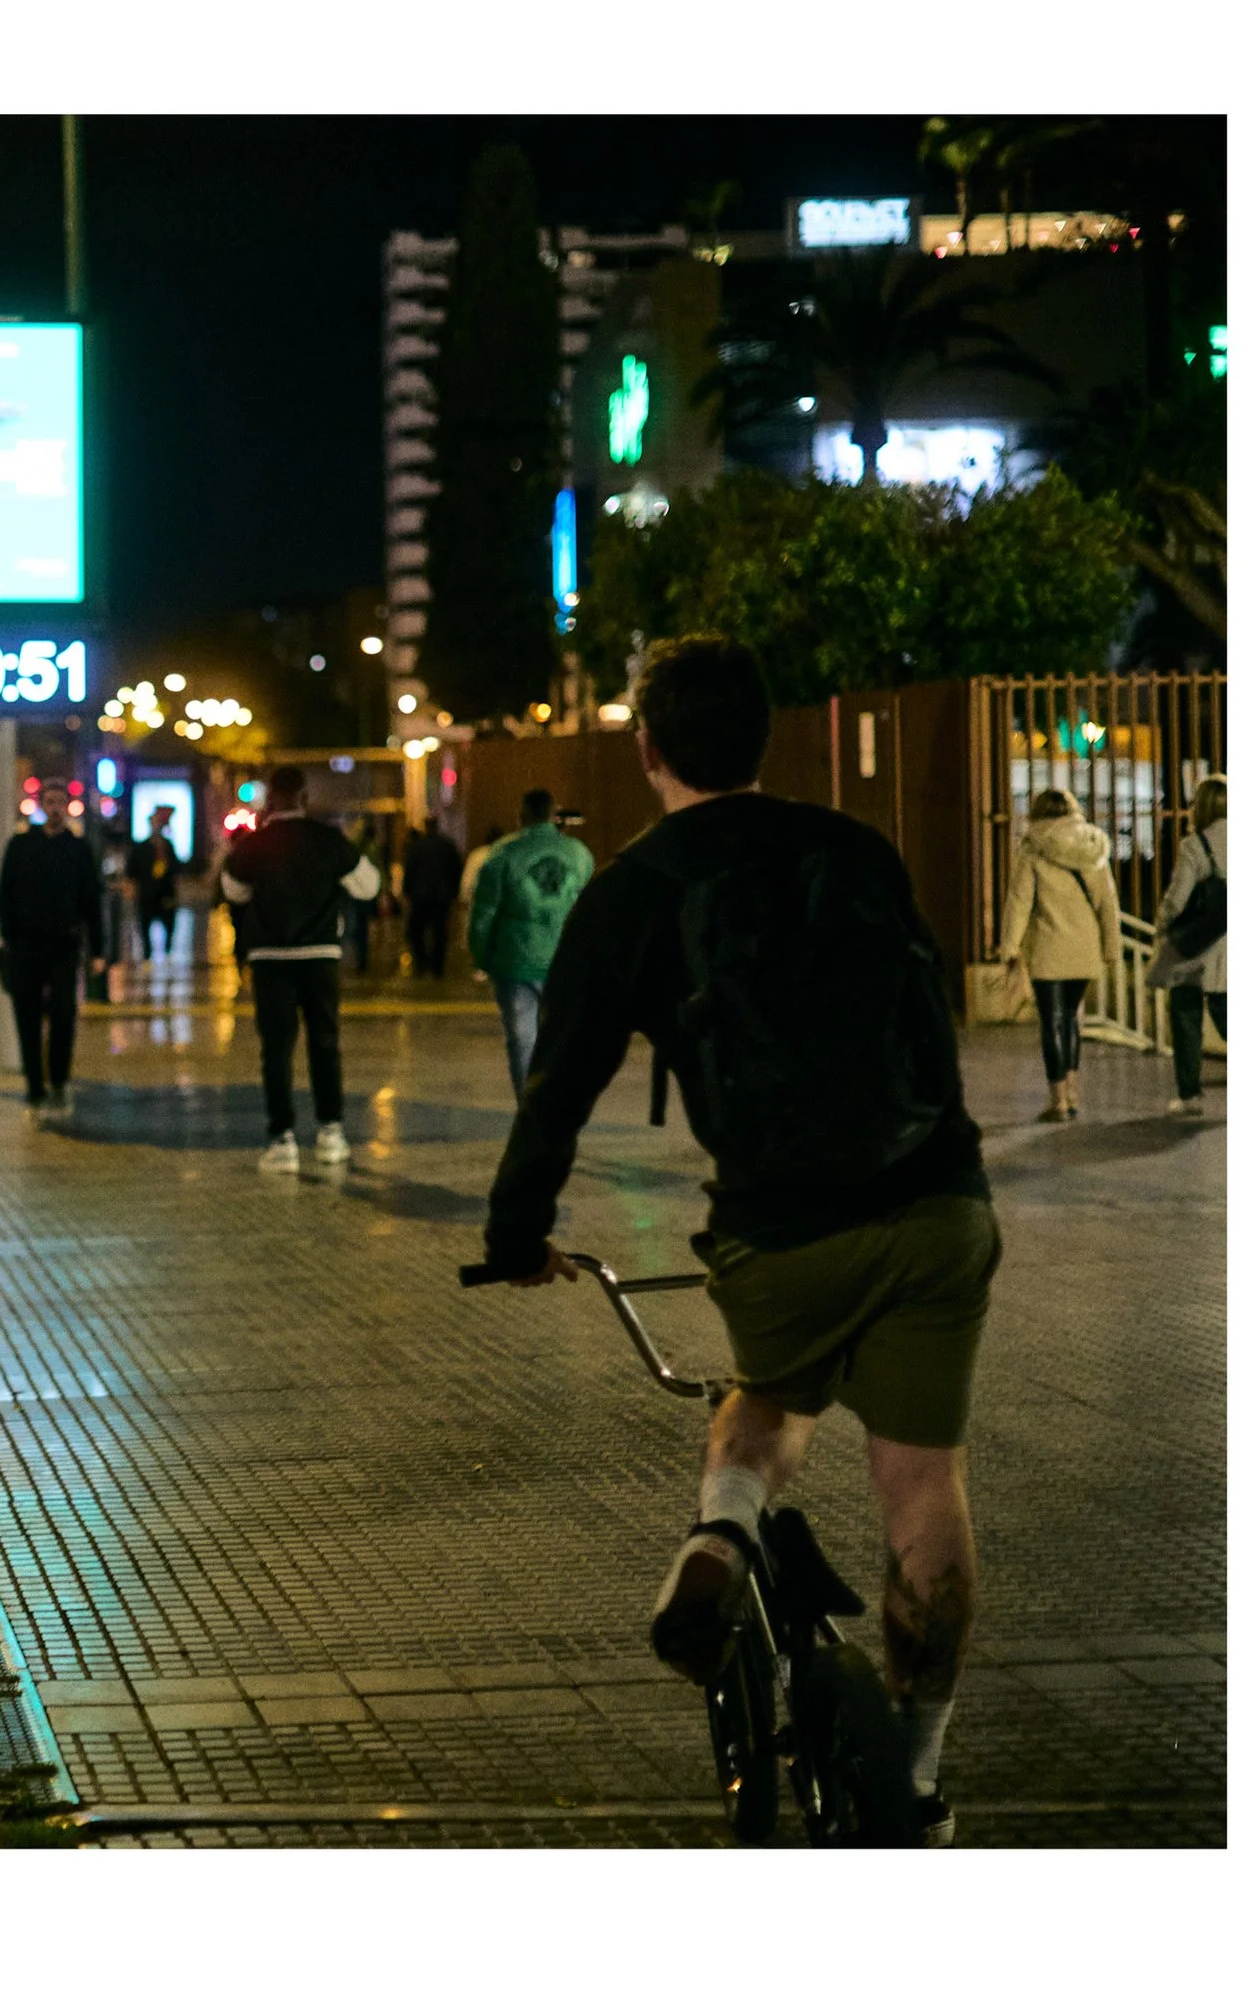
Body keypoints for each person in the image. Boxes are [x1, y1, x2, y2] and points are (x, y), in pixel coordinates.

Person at [482, 636, 992, 1847]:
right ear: (763, 735)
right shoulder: (853, 847)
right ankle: (914, 1777)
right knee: (923, 1482)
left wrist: (519, 1232)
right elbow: (932, 1024)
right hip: (937, 1205)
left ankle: (719, 1533)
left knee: (763, 1401)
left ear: (647, 748)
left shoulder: (634, 890)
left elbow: (559, 1083)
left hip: (780, 1225)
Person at [218, 764, 381, 1174]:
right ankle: (331, 1132)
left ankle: (282, 1139)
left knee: (276, 1049)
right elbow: (369, 886)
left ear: (269, 799)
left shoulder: (253, 845)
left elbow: (232, 890)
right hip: (320, 955)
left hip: (270, 958)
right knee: (324, 1042)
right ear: (305, 798)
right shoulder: (329, 841)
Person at [997, 787, 1122, 1122]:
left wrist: (1009, 947)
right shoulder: (1093, 846)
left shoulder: (1033, 849)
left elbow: (1019, 902)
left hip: (1048, 950)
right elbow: (1107, 904)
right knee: (1071, 1020)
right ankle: (1073, 1090)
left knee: (1051, 1021)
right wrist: (1112, 948)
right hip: (1083, 950)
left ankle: (1058, 1101)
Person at [466, 790, 595, 1098]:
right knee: (562, 1039)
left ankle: (530, 1108)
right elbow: (591, 909)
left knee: (523, 1041)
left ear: (521, 816)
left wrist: (483, 958)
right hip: (565, 961)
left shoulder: (502, 855)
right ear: (555, 816)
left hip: (516, 962)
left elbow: (482, 916)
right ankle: (558, 1105)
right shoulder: (578, 854)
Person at [0, 807, 108, 1126]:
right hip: (25, 946)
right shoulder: (20, 846)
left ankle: (58, 1080)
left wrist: (98, 949)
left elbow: (91, 900)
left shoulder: (77, 849)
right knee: (27, 1016)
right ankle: (35, 1086)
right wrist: (9, 936)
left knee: (63, 1013)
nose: (56, 808)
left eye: (61, 800)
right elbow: (5, 894)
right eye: (51, 800)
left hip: (63, 945)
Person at [1150, 774, 1227, 1117]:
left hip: (1199, 946)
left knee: (1185, 1014)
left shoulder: (1196, 846)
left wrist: (1161, 926)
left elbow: (1176, 900)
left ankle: (1190, 1095)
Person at [399, 816, 464, 978]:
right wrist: (454, 892)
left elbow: (409, 871)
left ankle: (422, 961)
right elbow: (456, 870)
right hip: (441, 896)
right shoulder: (447, 846)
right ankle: (437, 966)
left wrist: (407, 892)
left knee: (416, 931)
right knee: (439, 932)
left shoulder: (417, 847)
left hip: (420, 897)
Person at [125, 805, 183, 959]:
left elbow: (176, 869)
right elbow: (132, 872)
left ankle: (167, 952)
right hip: (146, 894)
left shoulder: (168, 846)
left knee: (169, 925)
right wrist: (131, 890)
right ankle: (147, 955)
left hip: (166, 894)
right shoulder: (140, 848)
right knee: (145, 926)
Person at [342, 817, 384, 973]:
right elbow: (379, 873)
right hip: (367, 895)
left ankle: (361, 960)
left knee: (355, 928)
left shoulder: (354, 848)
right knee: (362, 928)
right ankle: (362, 960)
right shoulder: (372, 849)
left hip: (353, 894)